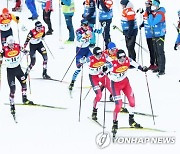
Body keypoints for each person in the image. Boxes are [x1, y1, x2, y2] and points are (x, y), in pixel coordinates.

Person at [108, 49, 148, 134]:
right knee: (119, 105)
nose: (123, 60)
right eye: (120, 58)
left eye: (124, 57)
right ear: (117, 58)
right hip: (116, 85)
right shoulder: (112, 64)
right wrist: (104, 70)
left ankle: (131, 120)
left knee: (132, 102)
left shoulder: (128, 60)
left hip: (125, 83)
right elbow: (104, 68)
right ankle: (115, 123)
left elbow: (136, 65)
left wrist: (142, 68)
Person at [0, 36, 33, 115]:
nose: (11, 46)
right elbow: (0, 56)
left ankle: (24, 99)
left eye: (12, 44)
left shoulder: (17, 46)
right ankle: (12, 105)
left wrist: (26, 52)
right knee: (13, 89)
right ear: (7, 44)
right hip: (10, 71)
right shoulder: (4, 49)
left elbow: (24, 50)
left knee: (24, 83)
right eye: (10, 44)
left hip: (18, 69)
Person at [83, 47, 113, 120]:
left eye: (100, 54)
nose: (99, 56)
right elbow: (81, 62)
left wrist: (107, 67)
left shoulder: (104, 56)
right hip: (94, 78)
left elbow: (112, 62)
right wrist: (82, 60)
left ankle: (115, 101)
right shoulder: (90, 59)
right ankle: (94, 111)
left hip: (102, 76)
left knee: (114, 90)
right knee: (99, 95)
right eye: (97, 55)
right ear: (94, 54)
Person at [68, 19, 92, 92]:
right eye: (85, 25)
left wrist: (101, 28)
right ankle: (72, 82)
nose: (86, 27)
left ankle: (96, 80)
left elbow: (97, 31)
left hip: (87, 49)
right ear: (81, 25)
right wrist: (84, 35)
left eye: (87, 25)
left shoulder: (89, 28)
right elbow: (79, 39)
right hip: (80, 50)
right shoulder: (78, 31)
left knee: (93, 61)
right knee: (78, 67)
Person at [147, 0, 166, 75]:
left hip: (160, 35)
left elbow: (152, 23)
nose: (152, 6)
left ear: (156, 5)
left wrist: (150, 15)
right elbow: (149, 22)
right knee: (156, 52)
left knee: (160, 52)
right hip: (154, 34)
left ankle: (162, 69)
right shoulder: (155, 12)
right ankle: (158, 66)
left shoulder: (160, 13)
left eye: (153, 5)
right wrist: (150, 14)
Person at [139, 0, 158, 70]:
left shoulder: (152, 11)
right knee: (151, 49)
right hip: (147, 33)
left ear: (150, 4)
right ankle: (152, 63)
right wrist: (142, 24)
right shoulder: (146, 11)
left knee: (153, 49)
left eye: (147, 3)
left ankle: (155, 63)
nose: (146, 5)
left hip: (152, 34)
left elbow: (152, 21)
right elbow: (146, 20)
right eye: (145, 3)